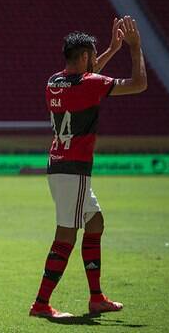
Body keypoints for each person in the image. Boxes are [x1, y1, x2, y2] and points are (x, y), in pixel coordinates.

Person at [30, 16, 148, 318]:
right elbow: (139, 85)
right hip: (74, 169)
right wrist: (134, 48)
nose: (95, 61)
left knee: (95, 224)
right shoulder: (89, 84)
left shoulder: (53, 82)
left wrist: (110, 48)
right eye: (93, 56)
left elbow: (87, 78)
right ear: (84, 57)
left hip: (57, 165)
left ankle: (96, 298)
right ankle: (41, 303)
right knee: (65, 235)